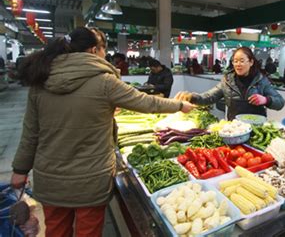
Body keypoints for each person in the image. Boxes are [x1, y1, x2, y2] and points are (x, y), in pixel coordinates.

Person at [11, 27, 194, 236]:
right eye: (102, 49)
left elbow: (30, 132)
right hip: (91, 177)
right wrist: (179, 106)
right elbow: (145, 102)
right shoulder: (104, 81)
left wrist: (20, 169)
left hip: (51, 177)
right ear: (93, 50)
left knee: (55, 230)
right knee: (88, 232)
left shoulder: (40, 80)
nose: (104, 54)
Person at [175, 47, 285, 120]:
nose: (238, 64)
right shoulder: (227, 81)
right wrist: (192, 97)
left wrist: (266, 100)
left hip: (257, 130)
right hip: (234, 129)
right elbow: (209, 97)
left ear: (251, 62)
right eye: (235, 61)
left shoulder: (261, 80)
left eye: (242, 61)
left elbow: (280, 102)